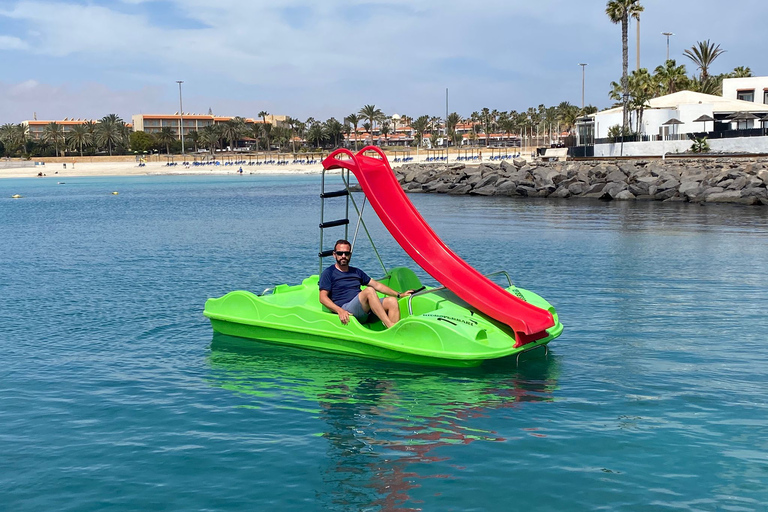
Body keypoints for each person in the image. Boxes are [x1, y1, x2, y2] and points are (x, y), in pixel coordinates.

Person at [319, 239, 413, 328]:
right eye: (340, 253)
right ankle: (390, 325)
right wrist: (340, 310)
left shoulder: (356, 272)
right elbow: (323, 298)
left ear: (350, 255)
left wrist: (399, 294)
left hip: (363, 308)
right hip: (347, 308)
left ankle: (393, 335)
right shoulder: (328, 273)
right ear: (334, 255)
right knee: (369, 291)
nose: (343, 256)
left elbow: (377, 285)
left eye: (346, 253)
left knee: (392, 301)